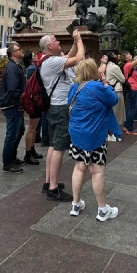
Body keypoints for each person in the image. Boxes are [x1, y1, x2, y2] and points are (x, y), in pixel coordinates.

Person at [67, 58, 121, 221]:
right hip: (95, 135)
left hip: (77, 134)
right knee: (97, 171)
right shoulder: (97, 87)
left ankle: (75, 204)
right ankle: (102, 209)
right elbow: (113, 99)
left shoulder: (73, 88)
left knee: (78, 168)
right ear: (93, 71)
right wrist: (104, 82)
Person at [39, 30, 84, 201]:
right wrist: (79, 41)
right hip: (60, 108)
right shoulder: (52, 62)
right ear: (50, 46)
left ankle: (48, 181)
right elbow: (78, 58)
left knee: (53, 144)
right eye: (56, 41)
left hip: (55, 107)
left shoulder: (49, 60)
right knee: (59, 147)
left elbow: (70, 56)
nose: (59, 42)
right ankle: (53, 188)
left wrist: (74, 43)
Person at [0, 43, 27, 172]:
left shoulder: (16, 66)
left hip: (14, 104)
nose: (22, 51)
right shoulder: (12, 68)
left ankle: (12, 157)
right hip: (12, 105)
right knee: (12, 134)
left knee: (19, 130)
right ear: (14, 53)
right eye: (19, 49)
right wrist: (20, 103)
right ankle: (7, 163)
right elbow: (13, 89)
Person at [122, 50, 137, 136]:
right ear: (125, 58)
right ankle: (130, 128)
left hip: (133, 89)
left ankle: (127, 126)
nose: (129, 54)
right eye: (127, 54)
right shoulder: (127, 65)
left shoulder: (131, 66)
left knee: (130, 108)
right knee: (132, 109)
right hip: (133, 89)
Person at [105, 52, 126, 136]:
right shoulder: (115, 67)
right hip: (116, 91)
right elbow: (123, 79)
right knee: (117, 113)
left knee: (111, 112)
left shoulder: (106, 66)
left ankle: (111, 132)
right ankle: (113, 133)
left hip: (109, 90)